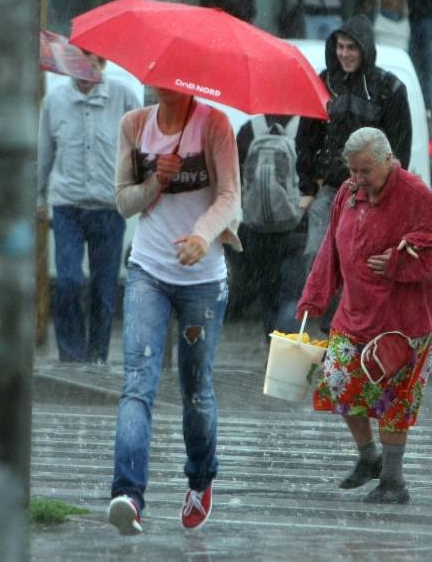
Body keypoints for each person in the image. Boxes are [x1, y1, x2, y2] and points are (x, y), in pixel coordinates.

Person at [297, 127, 432, 504]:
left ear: (388, 161)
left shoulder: (416, 194)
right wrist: (314, 296)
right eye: (352, 170)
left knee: (395, 396)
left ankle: (393, 480)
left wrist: (401, 262)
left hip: (404, 320)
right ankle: (368, 457)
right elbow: (331, 248)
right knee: (337, 378)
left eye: (365, 171)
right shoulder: (348, 193)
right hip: (355, 312)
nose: (357, 179)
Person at [107, 87, 241, 535]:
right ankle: (128, 495)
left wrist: (203, 234)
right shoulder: (134, 125)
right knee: (137, 384)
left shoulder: (215, 125)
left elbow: (229, 196)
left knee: (196, 389)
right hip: (147, 270)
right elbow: (123, 202)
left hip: (203, 280)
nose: (164, 86)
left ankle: (200, 479)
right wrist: (155, 183)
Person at [37, 53, 140, 363]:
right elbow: (44, 152)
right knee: (68, 281)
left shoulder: (124, 98)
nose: (85, 69)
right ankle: (71, 355)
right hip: (67, 206)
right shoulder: (55, 101)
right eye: (78, 62)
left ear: (103, 64)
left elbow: (142, 148)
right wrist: (38, 197)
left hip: (109, 207)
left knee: (104, 290)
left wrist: (139, 189)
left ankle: (97, 356)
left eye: (92, 62)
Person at [296, 15, 413, 272]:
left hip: (372, 194)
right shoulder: (324, 83)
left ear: (365, 49)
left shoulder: (389, 88)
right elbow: (306, 139)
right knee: (317, 262)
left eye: (351, 47)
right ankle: (321, 300)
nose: (344, 54)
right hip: (330, 191)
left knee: (362, 265)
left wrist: (388, 190)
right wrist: (308, 186)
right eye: (340, 46)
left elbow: (400, 148)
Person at [226, 114, 306, 332]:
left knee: (268, 294)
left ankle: (273, 344)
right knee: (292, 294)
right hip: (296, 225)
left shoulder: (249, 130)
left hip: (257, 228)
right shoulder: (305, 128)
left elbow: (234, 178)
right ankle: (287, 342)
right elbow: (315, 175)